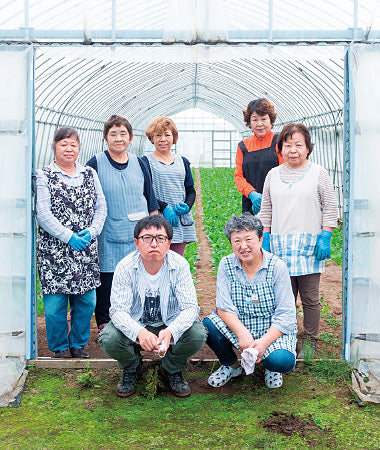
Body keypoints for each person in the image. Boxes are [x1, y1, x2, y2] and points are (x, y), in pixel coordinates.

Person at [98, 215, 207, 398]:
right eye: (147, 238)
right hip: (136, 323)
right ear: (136, 242)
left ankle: (170, 369)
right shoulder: (125, 267)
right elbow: (117, 311)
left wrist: (171, 331)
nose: (154, 244)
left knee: (198, 334)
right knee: (109, 338)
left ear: (169, 242)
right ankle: (132, 368)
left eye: (160, 238)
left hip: (169, 324)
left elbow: (190, 308)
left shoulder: (179, 265)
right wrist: (140, 332)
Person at [260, 123, 339, 357]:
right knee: (284, 298)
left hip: (309, 245)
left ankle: (311, 341)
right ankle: (287, 339)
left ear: (307, 148)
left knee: (310, 298)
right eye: (287, 145)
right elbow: (266, 208)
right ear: (280, 149)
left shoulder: (318, 173)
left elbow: (331, 206)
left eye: (298, 145)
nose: (292, 150)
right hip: (280, 245)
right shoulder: (273, 175)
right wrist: (265, 236)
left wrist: (326, 235)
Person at [35, 127, 107, 358]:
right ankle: (59, 348)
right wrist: (69, 237)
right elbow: (43, 213)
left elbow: (101, 207)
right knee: (56, 304)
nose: (69, 149)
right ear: (54, 147)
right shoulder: (43, 175)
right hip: (54, 251)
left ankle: (78, 344)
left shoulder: (89, 174)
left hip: (85, 248)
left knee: (86, 301)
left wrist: (92, 231)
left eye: (74, 144)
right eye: (64, 144)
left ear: (79, 149)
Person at [203, 214, 297, 389]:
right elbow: (223, 308)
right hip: (241, 323)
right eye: (237, 241)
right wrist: (242, 333)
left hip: (272, 328)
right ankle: (231, 366)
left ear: (261, 239)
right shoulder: (226, 264)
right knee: (208, 325)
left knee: (281, 360)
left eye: (249, 239)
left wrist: (263, 343)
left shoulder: (277, 267)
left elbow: (286, 314)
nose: (243, 246)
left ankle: (271, 367)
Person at [87, 115, 158, 331]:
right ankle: (105, 323)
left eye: (123, 134)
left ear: (131, 138)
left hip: (139, 233)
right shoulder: (95, 163)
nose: (118, 138)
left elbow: (150, 196)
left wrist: (154, 228)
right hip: (107, 232)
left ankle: (137, 319)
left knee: (138, 277)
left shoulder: (140, 163)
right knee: (107, 277)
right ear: (105, 138)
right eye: (113, 134)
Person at [142, 116, 196, 257]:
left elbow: (190, 190)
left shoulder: (182, 161)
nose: (163, 139)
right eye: (158, 135)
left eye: (167, 135)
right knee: (157, 259)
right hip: (158, 219)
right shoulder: (145, 162)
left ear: (174, 137)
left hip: (179, 221)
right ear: (152, 138)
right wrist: (164, 207)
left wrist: (187, 205)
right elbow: (145, 192)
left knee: (177, 260)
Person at [234, 98, 284, 215]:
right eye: (255, 120)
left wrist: (268, 197)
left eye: (263, 119)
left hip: (277, 202)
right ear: (249, 123)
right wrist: (252, 194)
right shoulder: (243, 146)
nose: (259, 124)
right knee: (252, 232)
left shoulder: (279, 142)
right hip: (251, 203)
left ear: (271, 121)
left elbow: (285, 173)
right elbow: (238, 176)